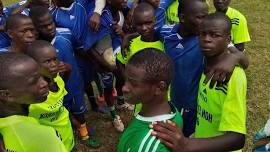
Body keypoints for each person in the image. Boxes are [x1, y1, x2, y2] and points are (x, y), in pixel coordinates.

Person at [151, 12, 247, 152]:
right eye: (203, 34)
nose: (207, 39)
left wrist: (187, 145)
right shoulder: (205, 64)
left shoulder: (232, 77)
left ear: (228, 39)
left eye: (215, 35)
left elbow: (237, 139)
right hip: (201, 140)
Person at [29, 6, 101, 148]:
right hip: (52, 93)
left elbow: (80, 49)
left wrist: (91, 63)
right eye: (43, 26)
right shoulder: (33, 49)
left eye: (51, 23)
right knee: (60, 111)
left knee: (79, 110)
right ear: (35, 29)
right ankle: (70, 127)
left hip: (73, 84)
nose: (50, 27)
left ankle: (83, 131)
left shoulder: (65, 34)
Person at [117, 48, 183, 152]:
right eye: (126, 80)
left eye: (134, 84)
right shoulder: (172, 111)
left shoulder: (149, 146)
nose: (124, 88)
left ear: (159, 87)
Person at [0, 52, 67, 152]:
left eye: (41, 76)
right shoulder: (44, 136)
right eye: (33, 82)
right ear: (6, 95)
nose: (44, 83)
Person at [26, 40, 75, 151]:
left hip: (66, 134)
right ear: (33, 64)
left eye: (55, 59)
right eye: (47, 61)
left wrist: (68, 71)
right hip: (45, 143)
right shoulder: (28, 93)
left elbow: (61, 96)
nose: (54, 64)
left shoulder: (57, 78)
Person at [118, 2, 165, 114]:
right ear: (134, 23)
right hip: (141, 100)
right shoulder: (131, 44)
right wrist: (129, 81)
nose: (144, 28)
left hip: (162, 99)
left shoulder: (165, 42)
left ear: (155, 20)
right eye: (139, 24)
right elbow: (120, 61)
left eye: (148, 23)